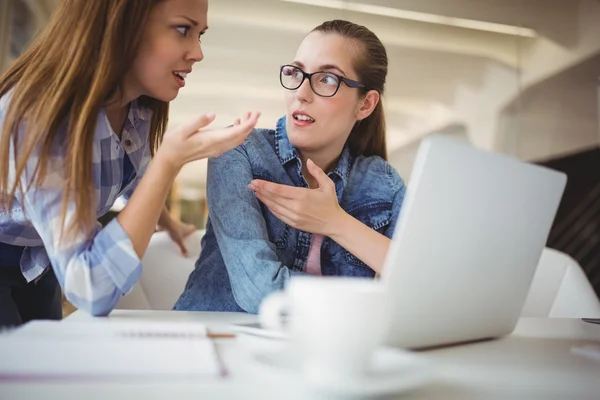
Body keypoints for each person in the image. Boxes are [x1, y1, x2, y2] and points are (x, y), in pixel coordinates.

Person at [0, 0, 260, 327]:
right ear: (122, 24)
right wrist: (170, 160)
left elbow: (130, 178)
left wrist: (167, 221)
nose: (197, 52)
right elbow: (91, 290)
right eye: (183, 30)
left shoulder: (137, 109)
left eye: (200, 34)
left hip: (37, 265)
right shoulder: (40, 120)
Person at [175, 19, 406, 313]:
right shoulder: (239, 149)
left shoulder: (383, 184)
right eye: (296, 73)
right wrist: (369, 302)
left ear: (365, 104)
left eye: (327, 79)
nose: (301, 93)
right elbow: (261, 292)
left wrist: (334, 222)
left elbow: (424, 287)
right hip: (211, 344)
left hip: (314, 352)